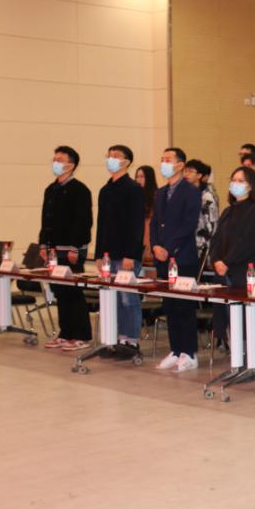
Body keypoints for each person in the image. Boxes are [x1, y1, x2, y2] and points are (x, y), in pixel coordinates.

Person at [208, 166, 255, 364]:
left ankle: (249, 359)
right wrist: (216, 260)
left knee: (245, 317)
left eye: (240, 181)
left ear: (250, 186)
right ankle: (236, 356)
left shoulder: (254, 211)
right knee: (228, 316)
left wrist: (227, 261)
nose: (235, 184)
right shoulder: (228, 211)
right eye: (233, 180)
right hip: (224, 273)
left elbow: (248, 242)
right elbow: (216, 240)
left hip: (244, 274)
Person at [150, 147, 202, 372]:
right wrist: (155, 246)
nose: (164, 163)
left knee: (184, 306)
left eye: (168, 159)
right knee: (169, 305)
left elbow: (188, 224)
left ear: (180, 165)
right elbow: (155, 222)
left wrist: (169, 248)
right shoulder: (160, 192)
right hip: (162, 258)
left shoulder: (191, 192)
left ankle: (189, 353)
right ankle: (175, 349)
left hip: (183, 256)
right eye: (162, 159)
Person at [39, 146, 93, 352]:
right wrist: (43, 244)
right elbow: (45, 219)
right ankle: (65, 333)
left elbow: (84, 221)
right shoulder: (51, 189)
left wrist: (75, 248)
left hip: (71, 250)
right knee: (59, 292)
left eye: (60, 159)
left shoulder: (80, 190)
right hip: (53, 251)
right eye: (54, 159)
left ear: (71, 165)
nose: (55, 163)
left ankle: (80, 335)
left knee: (73, 292)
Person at [95, 144, 145, 355]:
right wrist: (99, 255)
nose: (111, 159)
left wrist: (130, 255)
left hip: (126, 255)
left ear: (126, 161)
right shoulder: (105, 190)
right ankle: (116, 338)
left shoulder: (133, 189)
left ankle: (131, 340)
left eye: (115, 156)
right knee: (112, 299)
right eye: (109, 156)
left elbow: (136, 224)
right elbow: (101, 224)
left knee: (128, 299)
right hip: (108, 254)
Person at [182, 160, 218, 260]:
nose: (186, 174)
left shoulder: (206, 196)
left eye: (190, 171)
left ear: (199, 175)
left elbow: (212, 226)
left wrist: (202, 244)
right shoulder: (184, 193)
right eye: (185, 171)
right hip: (185, 244)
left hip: (200, 247)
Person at [135, 165, 158, 267]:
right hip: (136, 243)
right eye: (137, 177)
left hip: (149, 243)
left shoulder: (156, 196)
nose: (138, 180)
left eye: (142, 177)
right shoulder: (134, 195)